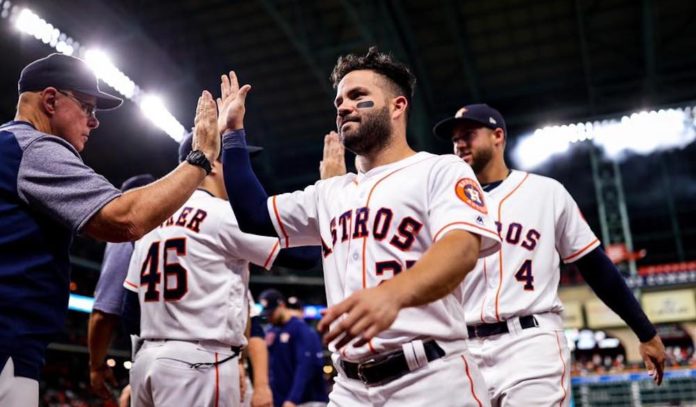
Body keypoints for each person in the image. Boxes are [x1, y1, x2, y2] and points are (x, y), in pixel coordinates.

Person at [221, 48, 502, 406]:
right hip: (350, 388)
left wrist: (393, 293)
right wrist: (233, 135)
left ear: (398, 106)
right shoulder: (330, 192)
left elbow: (462, 248)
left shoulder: (440, 169)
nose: (342, 107)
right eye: (339, 100)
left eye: (358, 96)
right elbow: (254, 215)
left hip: (431, 379)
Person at [0, 52, 220, 405]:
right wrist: (200, 159)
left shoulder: (7, 145)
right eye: (87, 107)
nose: (94, 121)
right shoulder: (34, 147)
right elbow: (124, 219)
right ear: (51, 100)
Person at [432, 103, 667, 405]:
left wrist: (645, 332)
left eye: (468, 134)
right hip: (461, 347)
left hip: (529, 341)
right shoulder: (444, 202)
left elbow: (595, 266)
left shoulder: (546, 192)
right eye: (454, 138)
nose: (459, 143)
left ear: (498, 136)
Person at [123, 132, 319, 407]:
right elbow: (304, 255)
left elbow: (129, 311)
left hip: (146, 361)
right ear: (212, 164)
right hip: (199, 362)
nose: (242, 171)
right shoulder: (224, 214)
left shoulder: (152, 220)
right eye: (236, 162)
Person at [88, 174, 155, 400]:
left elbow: (105, 312)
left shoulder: (130, 228)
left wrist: (96, 366)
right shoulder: (191, 219)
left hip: (157, 358)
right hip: (217, 356)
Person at [259, 289, 327, 407]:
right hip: (280, 400)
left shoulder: (301, 329)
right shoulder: (272, 331)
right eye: (267, 314)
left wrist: (293, 399)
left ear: (282, 306)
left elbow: (305, 366)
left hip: (304, 401)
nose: (269, 318)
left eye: (272, 313)